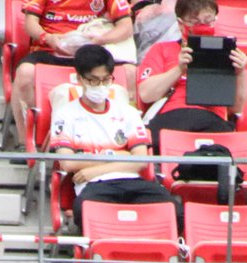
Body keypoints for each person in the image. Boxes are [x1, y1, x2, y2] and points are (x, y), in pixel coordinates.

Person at [50, 44, 178, 231]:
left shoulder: (128, 112)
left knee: (174, 210)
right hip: (94, 187)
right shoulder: (65, 114)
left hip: (131, 181)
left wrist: (95, 169)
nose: (100, 86)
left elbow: (141, 161)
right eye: (93, 80)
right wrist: (121, 156)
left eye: (106, 79)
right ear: (79, 79)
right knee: (84, 212)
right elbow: (68, 163)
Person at [12, 0, 135, 147]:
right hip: (50, 50)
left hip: (91, 52)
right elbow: (30, 23)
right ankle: (26, 142)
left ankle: (129, 139)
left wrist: (101, 39)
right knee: (25, 73)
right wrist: (47, 38)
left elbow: (126, 27)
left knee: (130, 73)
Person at [136, 0, 247, 152]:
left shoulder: (227, 53)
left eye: (208, 21)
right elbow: (146, 94)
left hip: (212, 119)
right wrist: (178, 69)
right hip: (173, 117)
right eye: (195, 22)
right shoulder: (161, 49)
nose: (202, 27)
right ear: (180, 24)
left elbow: (236, 107)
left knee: (225, 149)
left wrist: (240, 72)